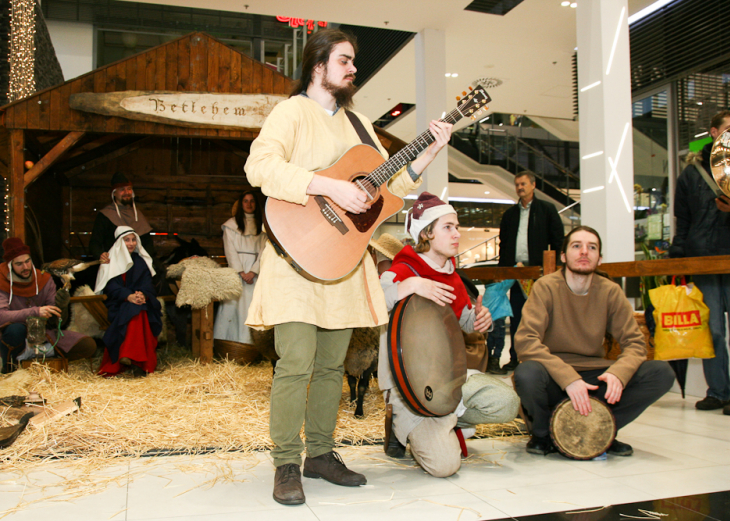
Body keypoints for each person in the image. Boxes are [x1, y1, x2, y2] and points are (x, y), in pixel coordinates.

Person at [243, 29, 453, 505]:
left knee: (331, 366)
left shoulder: (359, 123)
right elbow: (260, 167)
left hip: (342, 261)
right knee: (295, 363)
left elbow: (386, 185)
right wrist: (328, 187)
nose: (353, 67)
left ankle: (319, 454)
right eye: (344, 59)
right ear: (318, 65)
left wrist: (428, 154)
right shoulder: (291, 111)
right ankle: (285, 463)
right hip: (295, 260)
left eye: (354, 60)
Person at [378, 192, 519, 477]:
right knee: (445, 467)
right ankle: (401, 424)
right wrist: (411, 285)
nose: (457, 233)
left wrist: (479, 320)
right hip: (409, 389)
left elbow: (464, 323)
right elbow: (373, 306)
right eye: (448, 227)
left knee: (508, 403)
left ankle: (448, 420)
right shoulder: (401, 271)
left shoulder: (451, 275)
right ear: (427, 233)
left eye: (456, 226)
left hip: (447, 376)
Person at [513, 226, 675, 456]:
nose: (584, 252)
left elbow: (635, 343)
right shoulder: (546, 287)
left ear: (599, 258)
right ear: (563, 256)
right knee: (526, 373)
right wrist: (568, 378)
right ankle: (544, 434)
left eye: (592, 247)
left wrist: (619, 373)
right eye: (576, 246)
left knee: (661, 372)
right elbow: (526, 341)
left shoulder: (610, 291)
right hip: (554, 375)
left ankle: (602, 431)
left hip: (594, 375)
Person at [670, 110, 730, 414]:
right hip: (703, 259)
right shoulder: (691, 175)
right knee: (712, 329)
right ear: (714, 132)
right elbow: (684, 220)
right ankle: (719, 391)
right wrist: (677, 259)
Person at [498, 171, 564, 370]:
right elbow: (504, 244)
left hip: (540, 275)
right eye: (517, 184)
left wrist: (557, 269)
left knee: (542, 317)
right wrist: (503, 272)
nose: (520, 187)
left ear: (533, 185)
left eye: (524, 184)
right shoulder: (510, 215)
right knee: (516, 317)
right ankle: (515, 358)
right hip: (516, 275)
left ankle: (543, 359)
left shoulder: (547, 210)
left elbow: (558, 240)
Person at [0, 238, 96, 372]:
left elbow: (56, 322)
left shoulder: (44, 279)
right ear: (10, 265)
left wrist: (61, 307)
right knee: (15, 331)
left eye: (28, 261)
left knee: (88, 345)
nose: (26, 267)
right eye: (19, 264)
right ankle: (13, 365)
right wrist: (35, 312)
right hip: (19, 336)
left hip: (45, 334)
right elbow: (1, 316)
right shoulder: (1, 280)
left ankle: (38, 355)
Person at [94, 226, 162, 376]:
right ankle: (139, 362)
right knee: (135, 309)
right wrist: (128, 296)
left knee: (141, 308)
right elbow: (110, 286)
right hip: (118, 303)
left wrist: (143, 295)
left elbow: (148, 284)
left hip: (140, 302)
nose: (131, 244)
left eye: (133, 240)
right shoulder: (111, 261)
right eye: (127, 240)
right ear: (120, 242)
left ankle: (130, 356)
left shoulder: (140, 261)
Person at [214, 191, 267, 345]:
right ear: (240, 204)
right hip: (236, 272)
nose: (249, 204)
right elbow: (229, 250)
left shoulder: (262, 226)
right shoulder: (231, 226)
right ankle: (227, 344)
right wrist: (241, 271)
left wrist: (253, 271)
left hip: (255, 272)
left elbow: (265, 250)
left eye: (252, 201)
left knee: (250, 307)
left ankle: (249, 345)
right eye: (245, 201)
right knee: (231, 307)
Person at [89, 173, 155, 263]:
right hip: (113, 262)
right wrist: (101, 254)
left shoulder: (138, 215)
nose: (126, 193)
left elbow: (147, 243)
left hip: (137, 262)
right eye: (122, 190)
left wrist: (144, 261)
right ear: (114, 193)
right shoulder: (105, 215)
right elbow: (95, 243)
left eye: (129, 189)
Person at [481, 278, 514, 375]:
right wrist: (517, 267)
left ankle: (487, 363)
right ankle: (494, 364)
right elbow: (510, 281)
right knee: (499, 343)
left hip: (489, 321)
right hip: (498, 321)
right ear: (495, 279)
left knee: (490, 342)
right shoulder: (498, 288)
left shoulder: (488, 290)